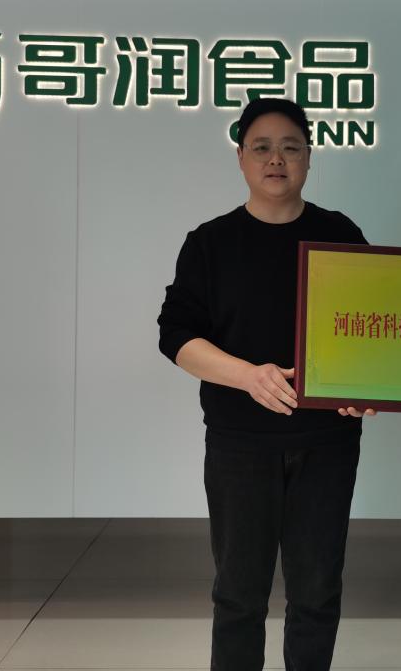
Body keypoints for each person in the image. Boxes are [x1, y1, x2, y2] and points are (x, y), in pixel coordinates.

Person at [157, 97, 374, 671]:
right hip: (240, 444)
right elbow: (176, 335)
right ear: (241, 158)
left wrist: (365, 387)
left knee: (317, 591)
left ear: (309, 158)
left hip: (327, 443)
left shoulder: (340, 234)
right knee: (238, 594)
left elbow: (370, 330)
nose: (276, 159)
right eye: (262, 147)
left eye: (290, 147)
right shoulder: (210, 242)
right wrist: (247, 377)